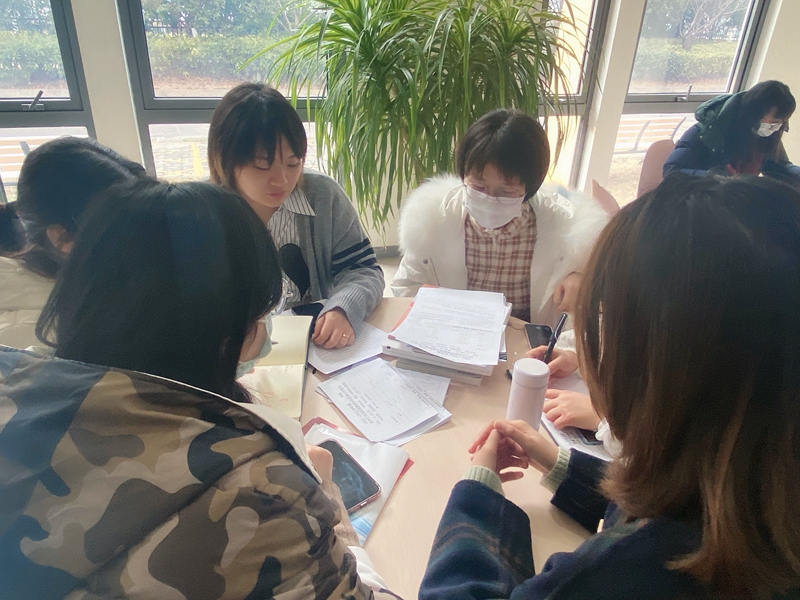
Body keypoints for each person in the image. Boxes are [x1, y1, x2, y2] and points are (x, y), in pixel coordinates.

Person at [0, 180, 395, 599]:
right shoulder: (265, 492)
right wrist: (327, 503)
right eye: (260, 316)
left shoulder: (16, 381)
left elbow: (363, 268)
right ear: (220, 334)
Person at [419, 173, 800, 599]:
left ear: (655, 369)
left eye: (606, 324)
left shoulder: (632, 572)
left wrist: (477, 491)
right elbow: (670, 500)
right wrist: (561, 464)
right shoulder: (759, 499)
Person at [208, 82, 385, 349]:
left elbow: (363, 269)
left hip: (317, 346)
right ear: (225, 162)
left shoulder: (322, 196)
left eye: (293, 163)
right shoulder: (205, 211)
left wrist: (343, 308)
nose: (282, 179)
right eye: (262, 166)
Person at [391, 109, 608, 326]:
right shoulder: (432, 222)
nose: (489, 199)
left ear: (530, 189)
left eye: (506, 192)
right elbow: (406, 287)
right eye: (478, 187)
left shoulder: (569, 234)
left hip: (527, 343)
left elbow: (597, 315)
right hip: (454, 335)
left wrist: (583, 282)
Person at [0, 136, 147, 348]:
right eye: (123, 226)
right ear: (62, 238)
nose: (139, 238)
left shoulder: (80, 284)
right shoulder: (38, 334)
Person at [664, 79, 800, 184]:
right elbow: (672, 170)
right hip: (704, 200)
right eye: (772, 122)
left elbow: (778, 166)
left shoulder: (767, 134)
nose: (774, 128)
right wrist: (715, 176)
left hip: (738, 199)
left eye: (779, 124)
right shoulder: (709, 132)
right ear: (754, 114)